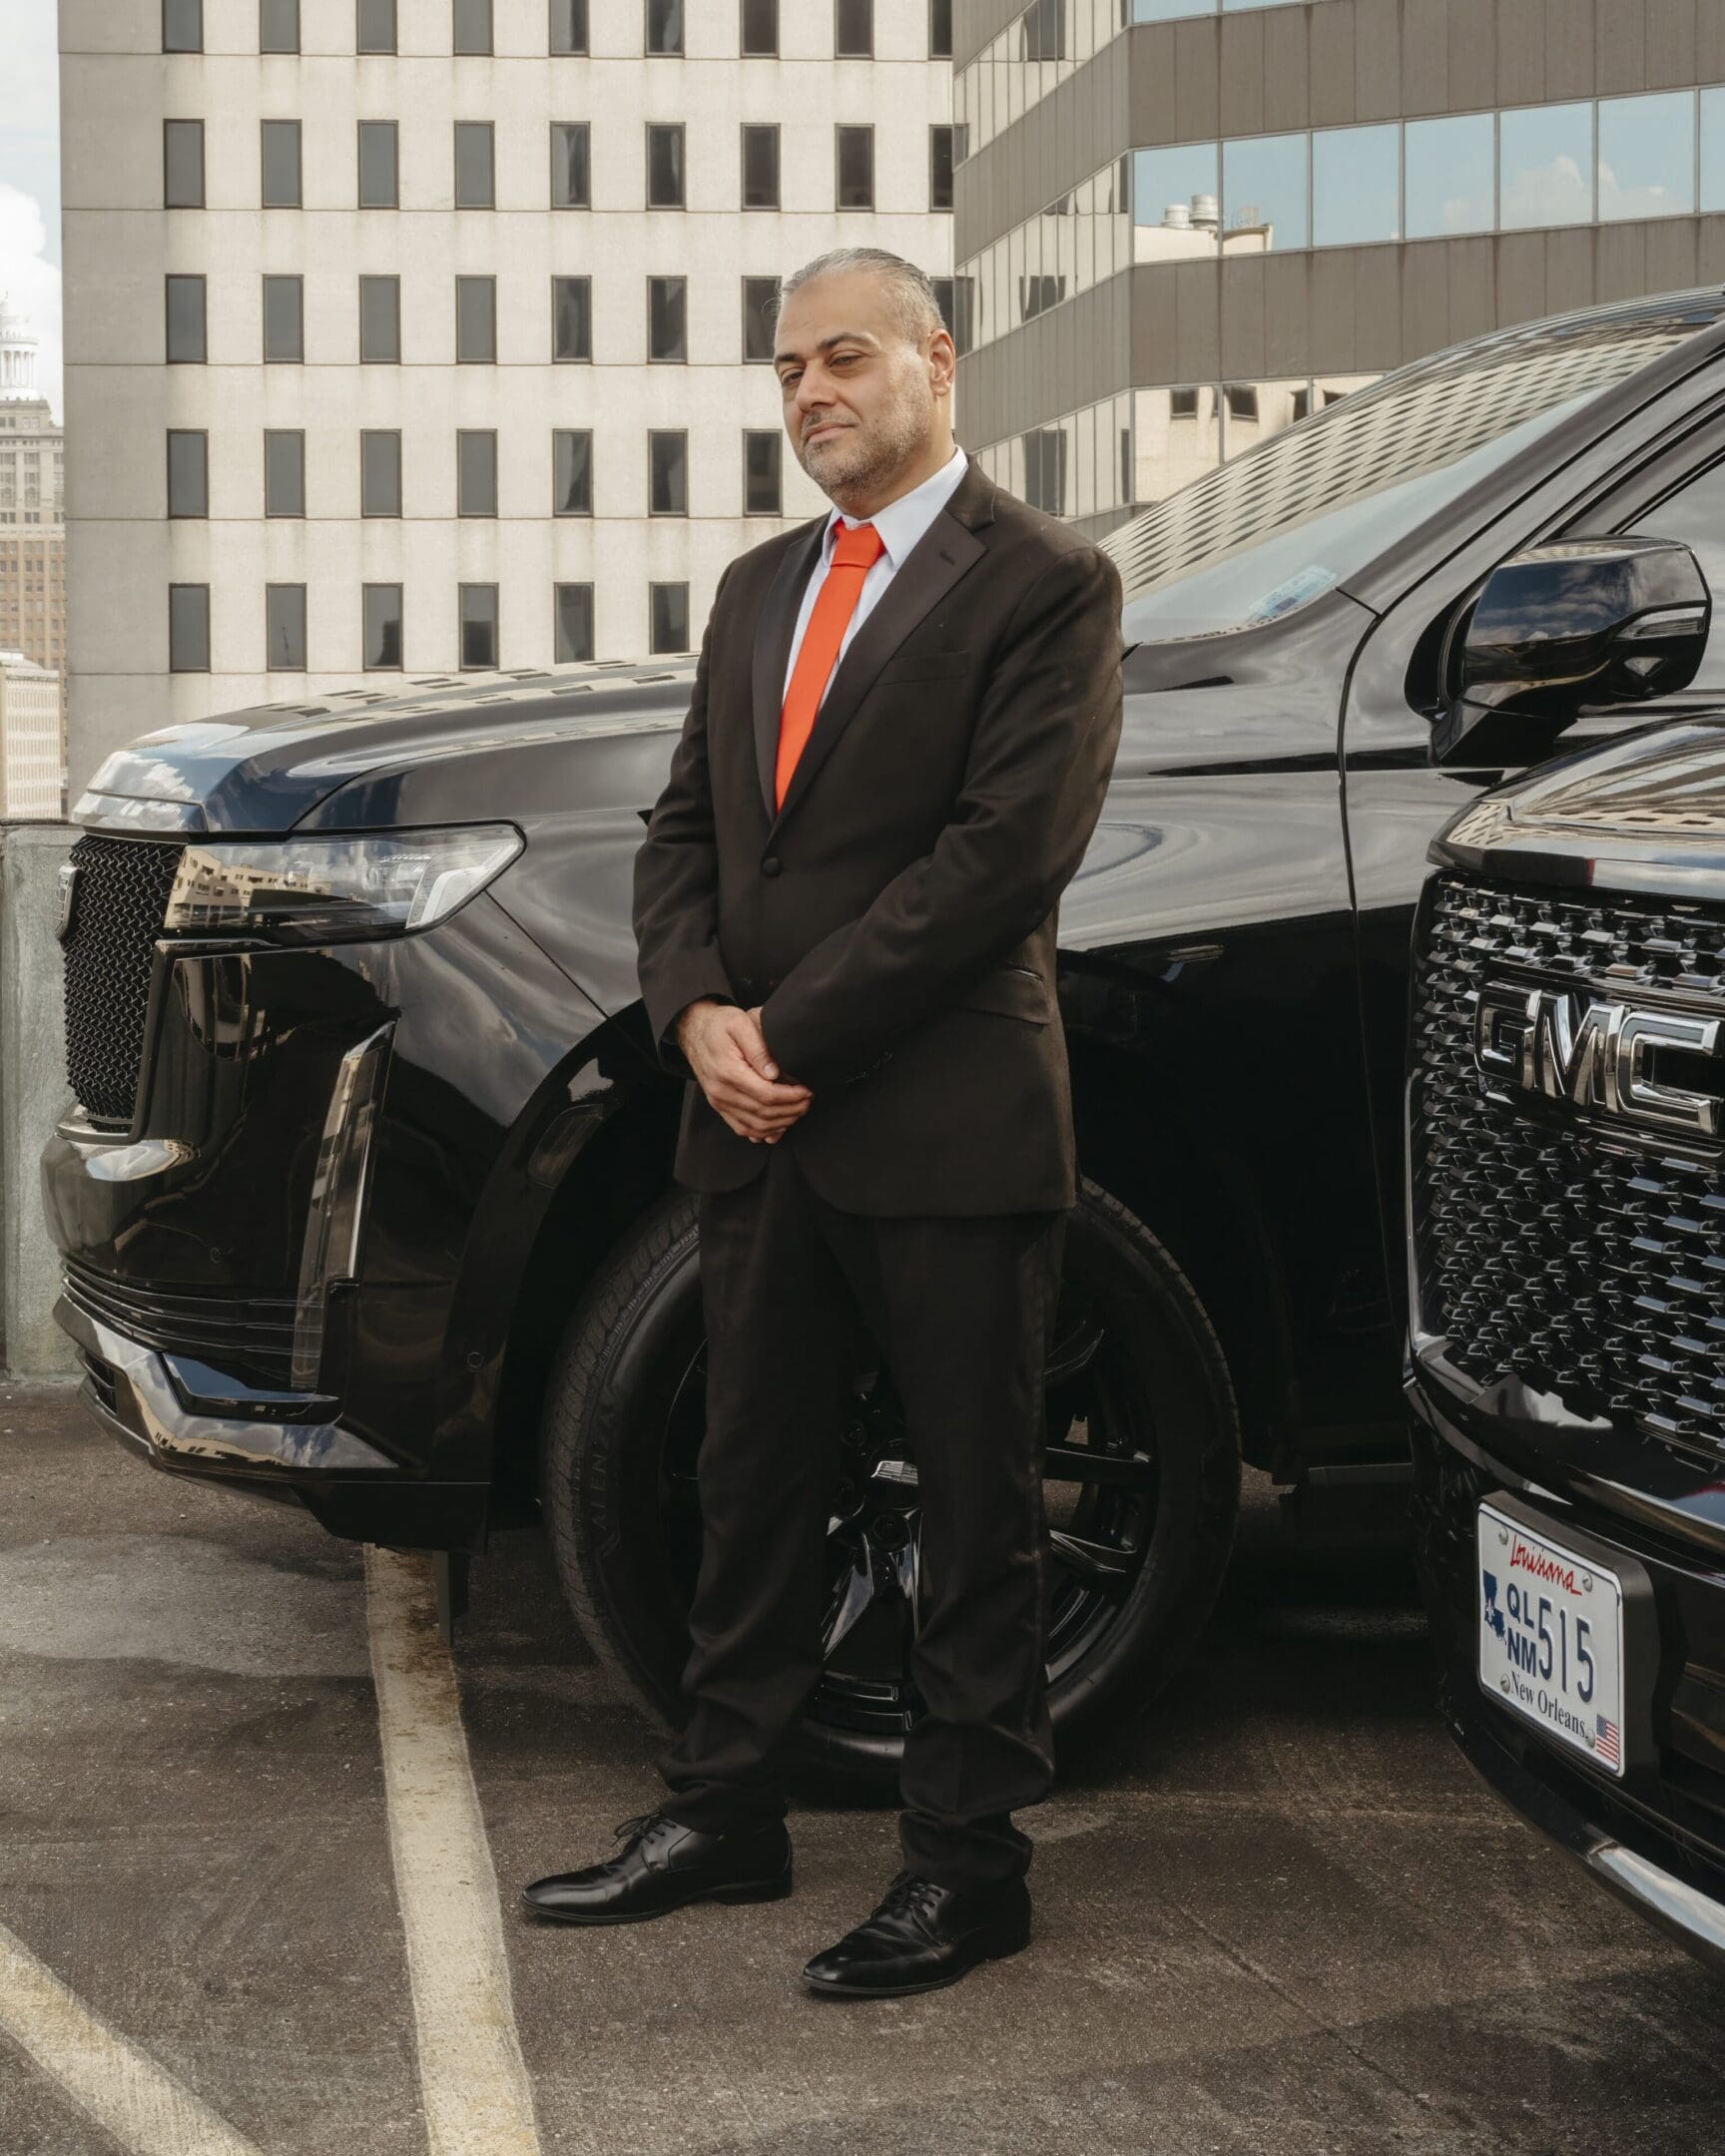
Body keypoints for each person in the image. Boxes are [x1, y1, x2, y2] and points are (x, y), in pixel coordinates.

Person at [523, 247, 1125, 1998]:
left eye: (842, 358)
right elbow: (681, 836)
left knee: (976, 1500)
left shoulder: (1049, 587)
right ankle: (725, 1814)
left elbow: (1003, 860)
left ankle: (967, 1867)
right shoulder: (757, 586)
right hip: (753, 1123)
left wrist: (786, 1028)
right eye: (787, 371)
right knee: (750, 1479)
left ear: (939, 363)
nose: (809, 394)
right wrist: (692, 1010)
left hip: (944, 1124)